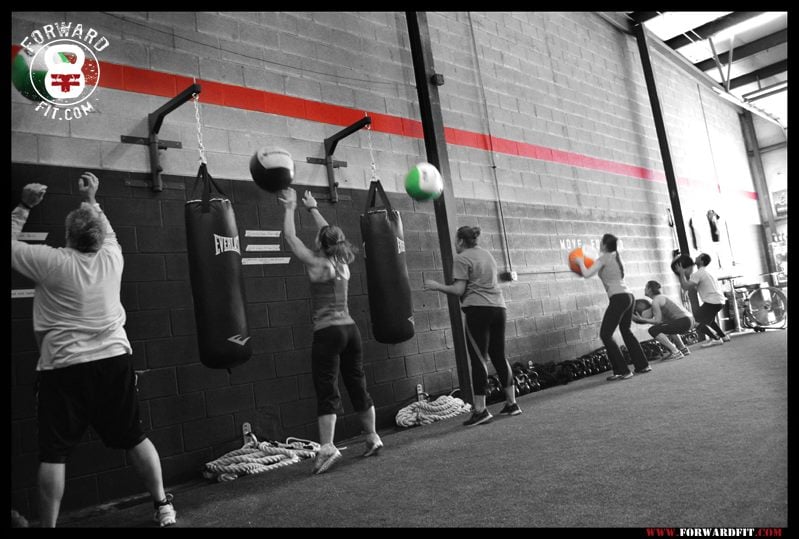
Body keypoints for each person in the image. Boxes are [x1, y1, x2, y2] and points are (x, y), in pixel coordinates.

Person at [11, 173, 176, 528]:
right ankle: (163, 505)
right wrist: (92, 198)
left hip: (64, 367)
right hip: (114, 361)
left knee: (54, 454)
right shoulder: (113, 256)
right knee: (134, 436)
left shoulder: (51, 261)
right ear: (99, 238)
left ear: (68, 235)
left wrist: (24, 205)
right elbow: (107, 230)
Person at [277, 187, 383, 474]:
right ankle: (373, 436)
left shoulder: (317, 263)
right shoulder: (342, 261)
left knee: (327, 389)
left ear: (321, 243)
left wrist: (290, 208)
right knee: (357, 384)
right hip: (350, 331)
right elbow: (330, 234)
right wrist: (312, 208)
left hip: (328, 333)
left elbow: (291, 238)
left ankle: (327, 447)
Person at [424, 225, 521, 427]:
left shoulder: (462, 258)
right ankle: (512, 404)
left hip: (479, 310)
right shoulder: (487, 255)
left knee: (478, 359)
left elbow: (459, 290)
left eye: (455, 240)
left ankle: (480, 410)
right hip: (499, 308)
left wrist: (437, 286)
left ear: (460, 241)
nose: (455, 243)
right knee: (498, 355)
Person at [574, 234, 651, 380]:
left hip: (619, 298)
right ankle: (642, 365)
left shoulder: (605, 257)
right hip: (628, 297)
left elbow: (586, 274)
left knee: (606, 334)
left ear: (604, 245)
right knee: (626, 330)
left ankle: (623, 371)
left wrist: (580, 262)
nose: (599, 244)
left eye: (601, 242)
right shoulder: (616, 256)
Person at [677, 253, 729, 347]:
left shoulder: (699, 273)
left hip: (713, 301)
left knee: (695, 321)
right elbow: (696, 287)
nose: (696, 257)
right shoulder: (706, 272)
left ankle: (716, 339)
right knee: (709, 320)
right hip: (720, 301)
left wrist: (681, 273)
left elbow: (685, 286)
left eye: (698, 256)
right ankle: (723, 336)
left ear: (701, 260)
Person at [633, 280, 693, 360]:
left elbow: (657, 321)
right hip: (689, 321)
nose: (644, 289)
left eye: (646, 288)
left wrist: (642, 319)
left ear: (650, 289)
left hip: (683, 321)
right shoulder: (662, 297)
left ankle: (675, 352)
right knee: (666, 325)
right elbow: (661, 322)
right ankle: (683, 349)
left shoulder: (656, 301)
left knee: (653, 330)